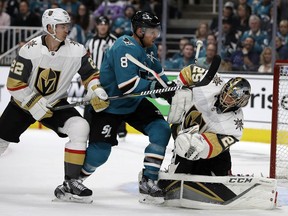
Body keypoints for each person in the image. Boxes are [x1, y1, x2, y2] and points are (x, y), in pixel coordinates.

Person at [0, 8, 109, 202]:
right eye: (62, 26)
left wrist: (96, 90)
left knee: (80, 127)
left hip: (55, 103)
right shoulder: (30, 49)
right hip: (22, 104)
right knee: (1, 141)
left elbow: (90, 75)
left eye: (67, 25)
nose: (67, 29)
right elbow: (14, 84)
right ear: (49, 27)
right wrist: (32, 101)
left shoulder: (77, 50)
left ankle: (70, 183)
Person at [80, 11, 174, 202]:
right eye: (152, 31)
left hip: (133, 102)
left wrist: (171, 90)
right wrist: (159, 89)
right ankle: (73, 181)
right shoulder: (124, 46)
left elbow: (158, 75)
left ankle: (148, 180)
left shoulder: (150, 48)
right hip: (109, 104)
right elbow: (127, 85)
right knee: (100, 154)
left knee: (161, 129)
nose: (156, 35)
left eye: (157, 30)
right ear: (139, 31)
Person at [166, 70, 251, 176]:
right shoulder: (212, 83)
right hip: (182, 131)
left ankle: (219, 176)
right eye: (226, 91)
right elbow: (190, 71)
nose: (226, 97)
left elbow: (215, 145)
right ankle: (178, 169)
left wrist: (200, 145)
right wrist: (177, 85)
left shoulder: (234, 126)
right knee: (183, 94)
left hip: (203, 147)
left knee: (220, 157)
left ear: (241, 102)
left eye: (232, 96)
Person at [84, 15, 127, 139]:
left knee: (115, 102)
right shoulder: (90, 41)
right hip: (93, 78)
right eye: (100, 24)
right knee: (90, 103)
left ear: (108, 26)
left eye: (105, 24)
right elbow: (86, 60)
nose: (102, 26)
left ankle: (120, 129)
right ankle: (86, 129)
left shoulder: (114, 41)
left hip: (111, 79)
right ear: (97, 25)